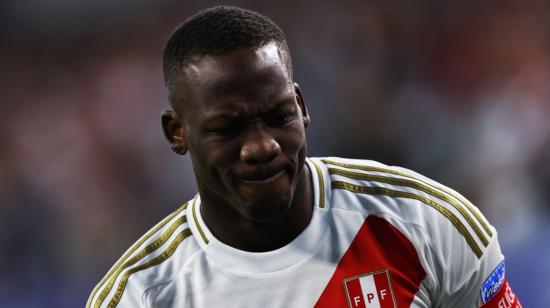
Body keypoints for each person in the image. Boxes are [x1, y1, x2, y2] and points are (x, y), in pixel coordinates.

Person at [87, 6, 521, 308]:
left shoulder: (426, 225)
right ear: (176, 132)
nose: (262, 146)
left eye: (277, 116)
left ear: (302, 106)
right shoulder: (140, 296)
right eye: (229, 127)